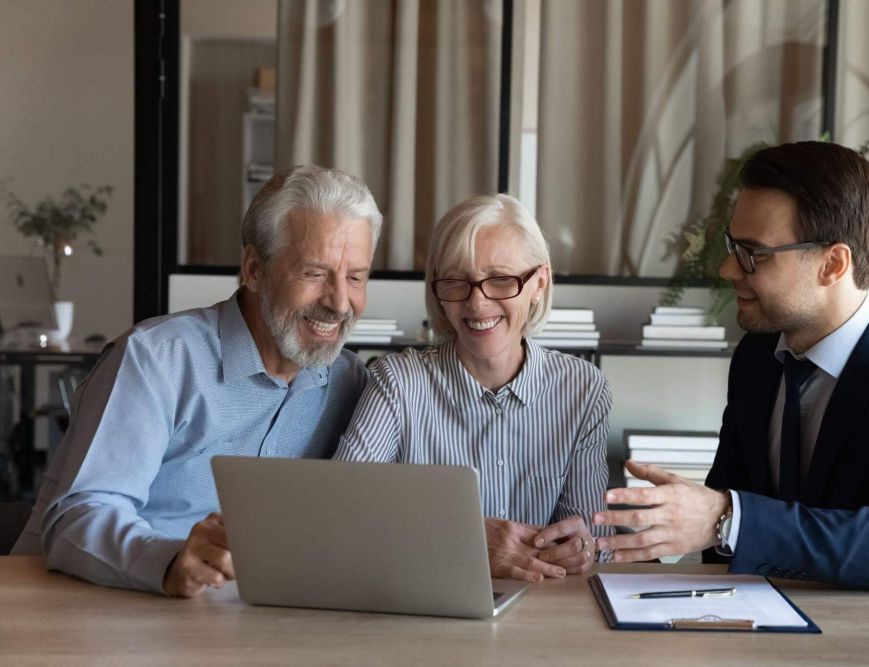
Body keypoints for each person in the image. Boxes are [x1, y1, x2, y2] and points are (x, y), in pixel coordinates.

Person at [594, 141, 869, 592]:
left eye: (753, 254)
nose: (728, 269)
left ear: (833, 264)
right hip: (773, 620)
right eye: (731, 246)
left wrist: (725, 517)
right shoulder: (756, 358)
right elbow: (722, 526)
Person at [12, 165, 382, 597]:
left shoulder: (349, 380)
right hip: (83, 608)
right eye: (314, 274)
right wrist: (167, 561)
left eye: (356, 277)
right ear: (254, 269)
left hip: (238, 626)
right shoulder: (155, 359)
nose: (340, 302)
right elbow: (77, 518)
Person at [334, 194, 613, 583]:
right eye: (456, 282)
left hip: (539, 608)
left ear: (539, 283)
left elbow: (593, 533)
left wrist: (583, 547)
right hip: (421, 601)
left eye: (500, 280)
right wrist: (464, 538)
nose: (478, 303)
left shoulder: (583, 390)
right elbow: (340, 511)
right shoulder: (396, 382)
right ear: (437, 293)